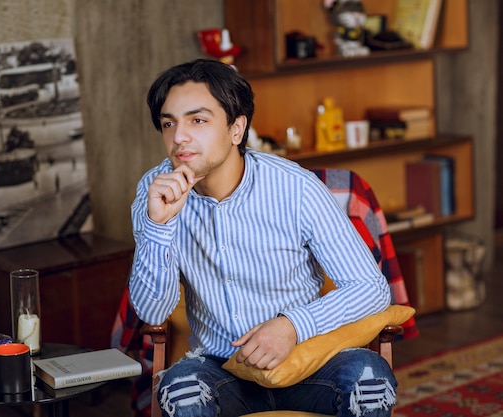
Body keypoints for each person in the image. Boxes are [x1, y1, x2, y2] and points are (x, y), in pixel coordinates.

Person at [128, 58, 396, 417]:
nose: (179, 137)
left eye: (198, 120)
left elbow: (372, 288)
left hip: (309, 363)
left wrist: (292, 326)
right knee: (181, 390)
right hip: (221, 371)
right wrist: (159, 227)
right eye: (168, 123)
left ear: (236, 129)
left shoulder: (296, 187)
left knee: (369, 380)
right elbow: (151, 310)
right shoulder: (155, 190)